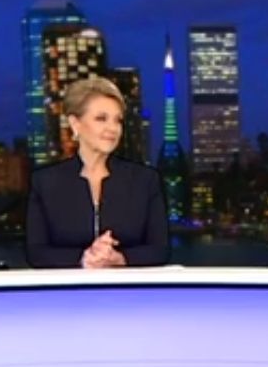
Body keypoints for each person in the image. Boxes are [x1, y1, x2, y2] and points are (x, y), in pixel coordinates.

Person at [26, 76, 169, 269]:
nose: (113, 128)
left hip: (127, 287)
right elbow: (36, 253)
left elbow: (160, 250)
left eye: (117, 120)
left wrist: (119, 258)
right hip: (69, 288)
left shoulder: (145, 180)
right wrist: (83, 258)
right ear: (75, 124)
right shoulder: (45, 182)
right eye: (101, 118)